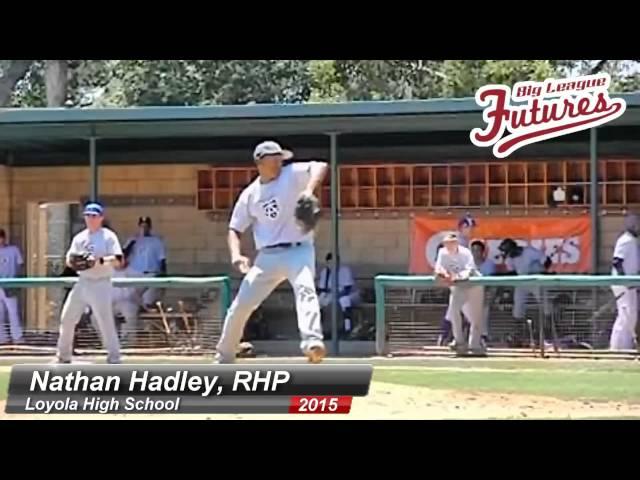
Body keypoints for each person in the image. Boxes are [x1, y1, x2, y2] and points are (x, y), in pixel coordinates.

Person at [215, 140, 327, 364]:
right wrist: (236, 255)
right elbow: (234, 229)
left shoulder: (290, 174)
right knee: (241, 304)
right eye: (274, 158)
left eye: (280, 158)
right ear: (260, 162)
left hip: (299, 249)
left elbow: (321, 166)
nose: (279, 162)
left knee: (306, 289)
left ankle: (312, 342)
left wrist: (308, 189)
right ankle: (225, 355)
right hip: (267, 256)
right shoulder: (250, 194)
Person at [53, 202, 124, 364]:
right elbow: (69, 259)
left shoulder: (108, 236)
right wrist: (76, 262)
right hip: (83, 281)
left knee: (104, 321)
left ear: (101, 218)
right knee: (67, 318)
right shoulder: (80, 237)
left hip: (101, 283)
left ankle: (114, 358)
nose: (90, 219)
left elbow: (119, 260)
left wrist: (99, 261)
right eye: (87, 215)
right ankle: (63, 356)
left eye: (94, 216)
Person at [434, 232, 484, 356]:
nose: (448, 245)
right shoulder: (442, 252)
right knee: (454, 310)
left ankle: (475, 345)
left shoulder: (465, 252)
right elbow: (438, 267)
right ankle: (459, 341)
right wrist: (443, 273)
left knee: (475, 318)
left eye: (451, 242)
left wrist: (455, 277)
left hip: (473, 284)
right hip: (457, 286)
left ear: (456, 243)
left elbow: (469, 270)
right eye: (446, 243)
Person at [498, 237, 553, 348]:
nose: (507, 254)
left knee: (545, 305)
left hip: (536, 278)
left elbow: (547, 261)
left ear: (513, 248)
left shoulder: (529, 251)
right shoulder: (510, 258)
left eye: (507, 251)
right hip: (522, 281)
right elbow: (512, 272)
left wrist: (544, 273)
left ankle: (549, 333)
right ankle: (519, 335)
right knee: (518, 307)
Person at [436, 215, 477, 346]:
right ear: (461, 227)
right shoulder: (457, 240)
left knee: (458, 311)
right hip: (455, 280)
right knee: (461, 311)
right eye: (468, 227)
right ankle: (449, 338)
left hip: (462, 281)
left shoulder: (466, 241)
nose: (470, 229)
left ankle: (448, 338)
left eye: (471, 227)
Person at [122, 216, 166, 310]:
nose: (144, 228)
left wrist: (164, 276)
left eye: (146, 226)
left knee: (148, 302)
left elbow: (162, 260)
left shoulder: (156, 241)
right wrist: (132, 243)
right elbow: (123, 256)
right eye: (142, 226)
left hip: (151, 274)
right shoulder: (133, 239)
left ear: (150, 227)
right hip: (135, 274)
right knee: (131, 302)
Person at [610, 213, 639, 350]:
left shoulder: (632, 241)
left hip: (630, 283)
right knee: (625, 316)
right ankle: (617, 349)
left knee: (630, 316)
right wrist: (624, 281)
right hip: (623, 284)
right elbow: (617, 261)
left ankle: (626, 347)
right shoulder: (625, 240)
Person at [317, 252, 361, 338]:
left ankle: (347, 328)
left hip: (350, 294)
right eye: (329, 263)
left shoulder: (344, 270)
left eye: (334, 262)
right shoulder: (325, 272)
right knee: (318, 302)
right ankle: (320, 329)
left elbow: (347, 289)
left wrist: (334, 297)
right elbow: (322, 288)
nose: (332, 265)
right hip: (331, 294)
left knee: (343, 300)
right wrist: (325, 298)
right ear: (327, 263)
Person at [470, 239, 497, 346]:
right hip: (469, 294)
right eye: (473, 250)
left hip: (484, 293)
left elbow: (492, 284)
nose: (475, 253)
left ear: (482, 252)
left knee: (484, 305)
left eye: (477, 250)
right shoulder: (468, 264)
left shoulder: (489, 264)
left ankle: (483, 336)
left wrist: (490, 296)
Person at [0, 229, 24, 344]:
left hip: (10, 285)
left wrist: (16, 283)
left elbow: (20, 265)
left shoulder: (13, 250)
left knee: (13, 312)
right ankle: (2, 338)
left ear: (3, 238)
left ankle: (17, 337)